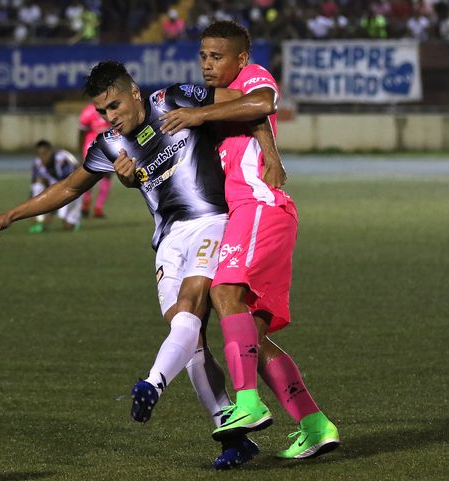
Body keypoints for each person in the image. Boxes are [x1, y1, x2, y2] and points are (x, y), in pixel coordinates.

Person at [0, 61, 258, 469]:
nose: (110, 117)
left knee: (190, 305)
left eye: (114, 106)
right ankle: (232, 438)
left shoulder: (174, 99)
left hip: (210, 222)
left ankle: (152, 384)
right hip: (166, 242)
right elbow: (70, 187)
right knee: (190, 341)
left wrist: (203, 118)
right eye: (102, 111)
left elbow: (245, 103)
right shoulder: (111, 146)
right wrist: (10, 215)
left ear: (134, 92)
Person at [157, 20, 340, 460]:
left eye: (216, 56)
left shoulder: (250, 76)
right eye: (203, 55)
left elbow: (263, 103)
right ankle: (315, 425)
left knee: (224, 292)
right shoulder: (219, 103)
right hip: (260, 215)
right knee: (251, 340)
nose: (207, 64)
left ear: (240, 58)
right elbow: (250, 116)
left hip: (259, 207)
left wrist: (200, 116)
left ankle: (247, 404)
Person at [27, 140, 82, 233]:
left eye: (44, 154)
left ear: (50, 152)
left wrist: (52, 208)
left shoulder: (62, 160)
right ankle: (40, 221)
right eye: (39, 154)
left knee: (68, 227)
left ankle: (73, 221)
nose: (42, 158)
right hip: (56, 188)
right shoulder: (37, 163)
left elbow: (70, 184)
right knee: (38, 185)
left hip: (74, 191)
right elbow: (34, 183)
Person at [77, 103, 112, 219]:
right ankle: (86, 204)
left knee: (107, 175)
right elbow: (82, 132)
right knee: (89, 175)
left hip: (107, 145)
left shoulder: (111, 107)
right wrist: (80, 153)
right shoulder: (89, 111)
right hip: (91, 146)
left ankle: (97, 208)